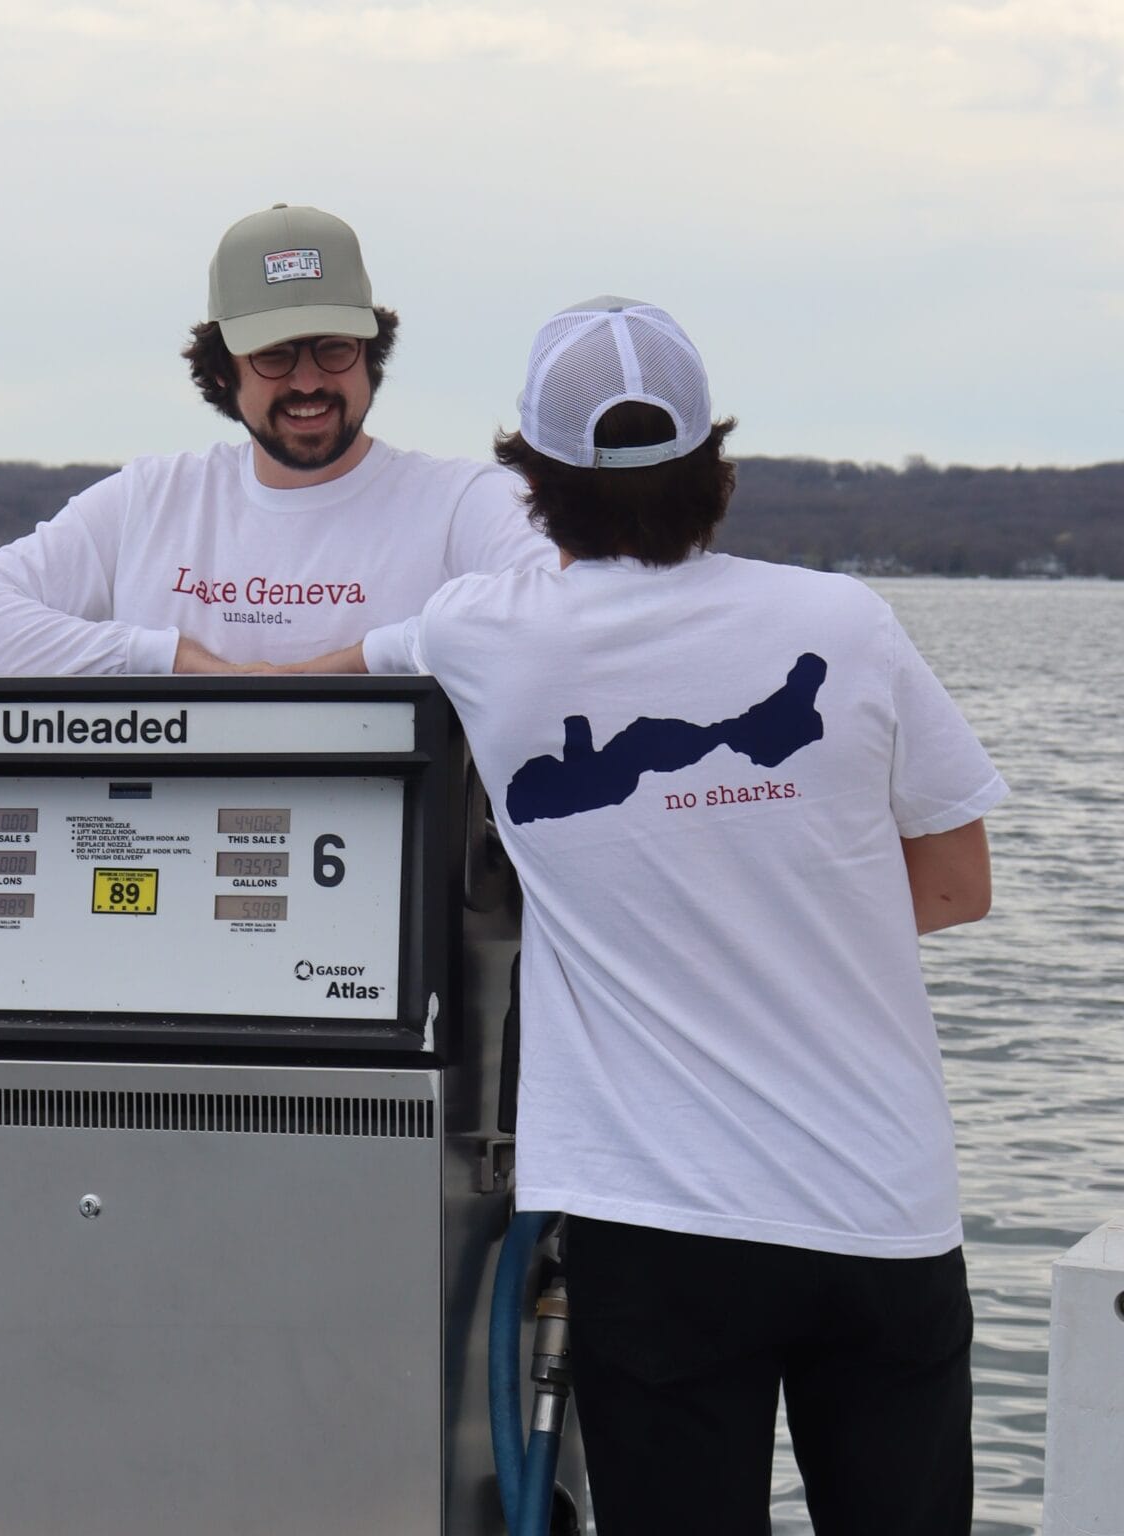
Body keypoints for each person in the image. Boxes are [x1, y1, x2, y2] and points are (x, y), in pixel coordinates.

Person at [410, 299, 1004, 1534]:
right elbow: (956, 881)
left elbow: (289, 680)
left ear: (534, 480)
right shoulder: (846, 621)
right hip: (881, 1216)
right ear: (713, 467)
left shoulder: (484, 637)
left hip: (661, 1224)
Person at [0, 203, 552, 676]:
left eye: (333, 350)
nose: (308, 382)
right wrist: (168, 658)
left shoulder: (460, 501)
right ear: (223, 369)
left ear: (370, 354)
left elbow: (559, 614)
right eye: (274, 356)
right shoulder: (151, 500)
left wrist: (354, 664)